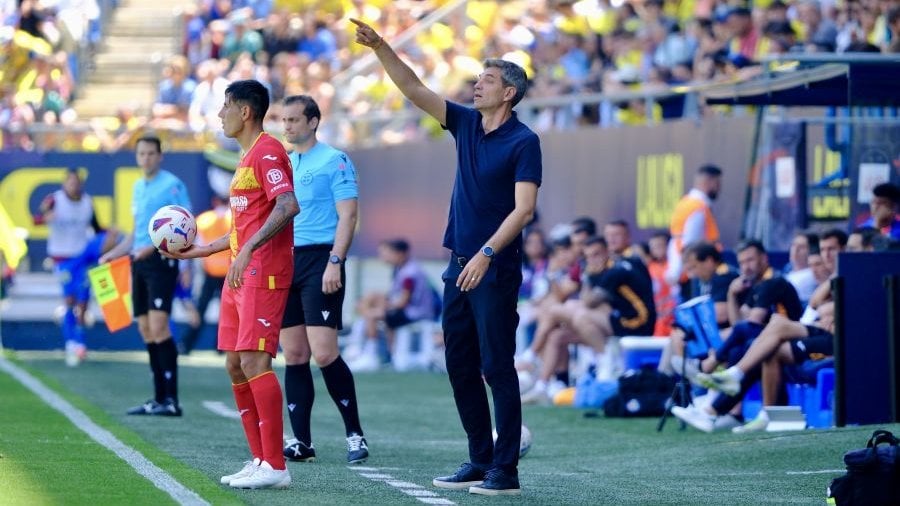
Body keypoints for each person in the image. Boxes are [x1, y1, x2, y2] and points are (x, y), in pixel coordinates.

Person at [353, 19, 541, 496]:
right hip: (458, 265)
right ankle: (480, 459)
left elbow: (524, 210)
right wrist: (381, 47)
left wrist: (486, 253)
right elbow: (414, 88)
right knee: (458, 364)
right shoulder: (465, 123)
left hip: (493, 268)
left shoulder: (524, 142)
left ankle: (506, 471)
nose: (477, 85)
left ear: (509, 94)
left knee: (497, 367)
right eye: (479, 78)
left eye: (488, 80)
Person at [166, 79, 300, 489]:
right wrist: (203, 251)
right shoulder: (245, 158)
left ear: (245, 111)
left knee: (255, 362)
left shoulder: (269, 151)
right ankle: (259, 459)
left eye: (226, 105)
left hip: (264, 272)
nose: (220, 113)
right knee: (235, 364)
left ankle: (275, 465)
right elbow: (244, 228)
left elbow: (287, 205)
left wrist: (249, 250)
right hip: (240, 274)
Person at [276, 94, 369, 466]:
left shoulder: (335, 160)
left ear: (313, 122)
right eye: (284, 120)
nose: (287, 126)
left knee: (325, 352)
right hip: (286, 262)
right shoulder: (283, 163)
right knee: (295, 354)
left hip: (320, 260)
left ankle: (354, 434)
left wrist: (335, 261)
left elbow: (348, 216)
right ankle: (302, 441)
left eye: (294, 120)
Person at [99, 136, 191, 416]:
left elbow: (186, 223)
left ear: (160, 156)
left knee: (159, 326)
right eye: (142, 154)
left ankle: (172, 400)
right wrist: (114, 253)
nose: (146, 158)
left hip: (161, 260)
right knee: (145, 328)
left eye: (151, 153)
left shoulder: (173, 184)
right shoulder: (138, 186)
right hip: (138, 262)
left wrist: (153, 248)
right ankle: (158, 398)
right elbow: (136, 232)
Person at [35, 169, 120, 366]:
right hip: (62, 258)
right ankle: (71, 342)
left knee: (82, 303)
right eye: (70, 182)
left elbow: (97, 228)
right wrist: (44, 218)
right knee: (70, 300)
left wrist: (111, 231)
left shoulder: (87, 202)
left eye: (76, 182)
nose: (73, 185)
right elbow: (37, 218)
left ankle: (80, 343)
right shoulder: (54, 200)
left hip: (81, 255)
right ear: (65, 183)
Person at [348, 238, 440, 373]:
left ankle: (369, 355)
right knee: (372, 299)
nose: (383, 257)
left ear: (400, 254)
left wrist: (381, 308)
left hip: (416, 313)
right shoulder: (400, 269)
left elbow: (402, 302)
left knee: (371, 316)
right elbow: (393, 296)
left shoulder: (410, 273)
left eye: (387, 253)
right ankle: (366, 350)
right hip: (408, 310)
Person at [179, 195, 232, 354]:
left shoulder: (204, 219)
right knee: (227, 312)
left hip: (210, 271)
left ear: (215, 202)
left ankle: (187, 345)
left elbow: (198, 245)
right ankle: (222, 346)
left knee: (201, 310)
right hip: (228, 272)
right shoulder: (233, 218)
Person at [665, 164, 723, 287]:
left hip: (684, 267)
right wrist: (682, 269)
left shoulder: (686, 202)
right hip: (693, 271)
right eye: (717, 183)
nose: (719, 188)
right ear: (708, 181)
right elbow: (690, 243)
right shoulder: (698, 207)